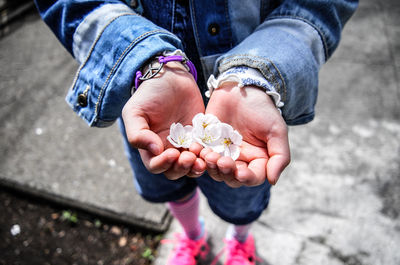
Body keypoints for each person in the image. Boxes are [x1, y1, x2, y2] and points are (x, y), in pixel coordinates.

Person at [34, 0, 358, 264]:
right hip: (151, 101)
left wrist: (256, 73)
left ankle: (239, 242)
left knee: (242, 195)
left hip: (246, 99)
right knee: (169, 183)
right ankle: (193, 238)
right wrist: (146, 61)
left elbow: (317, 7)